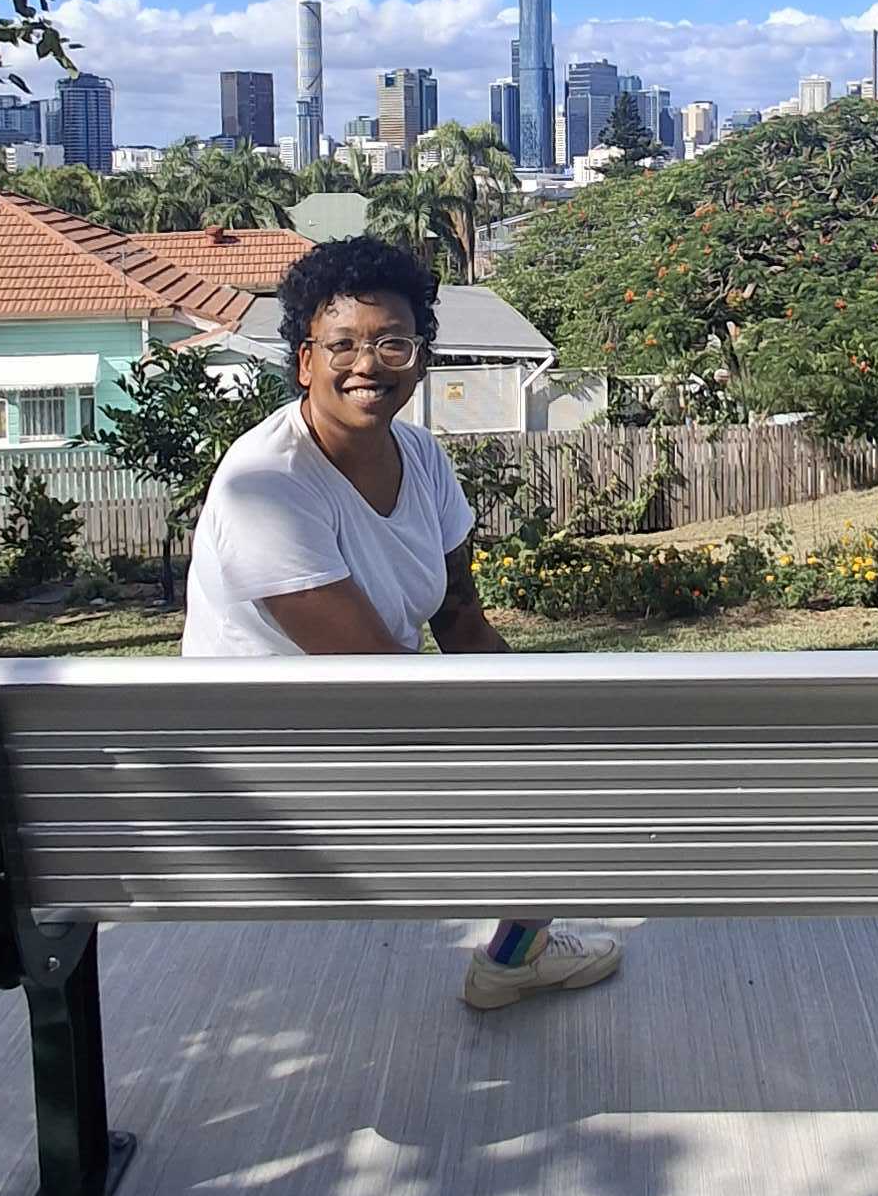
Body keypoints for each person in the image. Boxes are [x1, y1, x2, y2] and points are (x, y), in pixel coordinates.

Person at [181, 232, 622, 1012]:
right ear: (303, 359)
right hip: (275, 769)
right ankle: (516, 959)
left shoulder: (420, 458)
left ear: (420, 357)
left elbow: (460, 620)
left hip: (358, 726)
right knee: (558, 790)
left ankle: (518, 950)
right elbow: (377, 676)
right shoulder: (266, 487)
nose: (366, 364)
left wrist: (539, 708)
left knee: (563, 755)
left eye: (392, 342)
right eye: (342, 344)